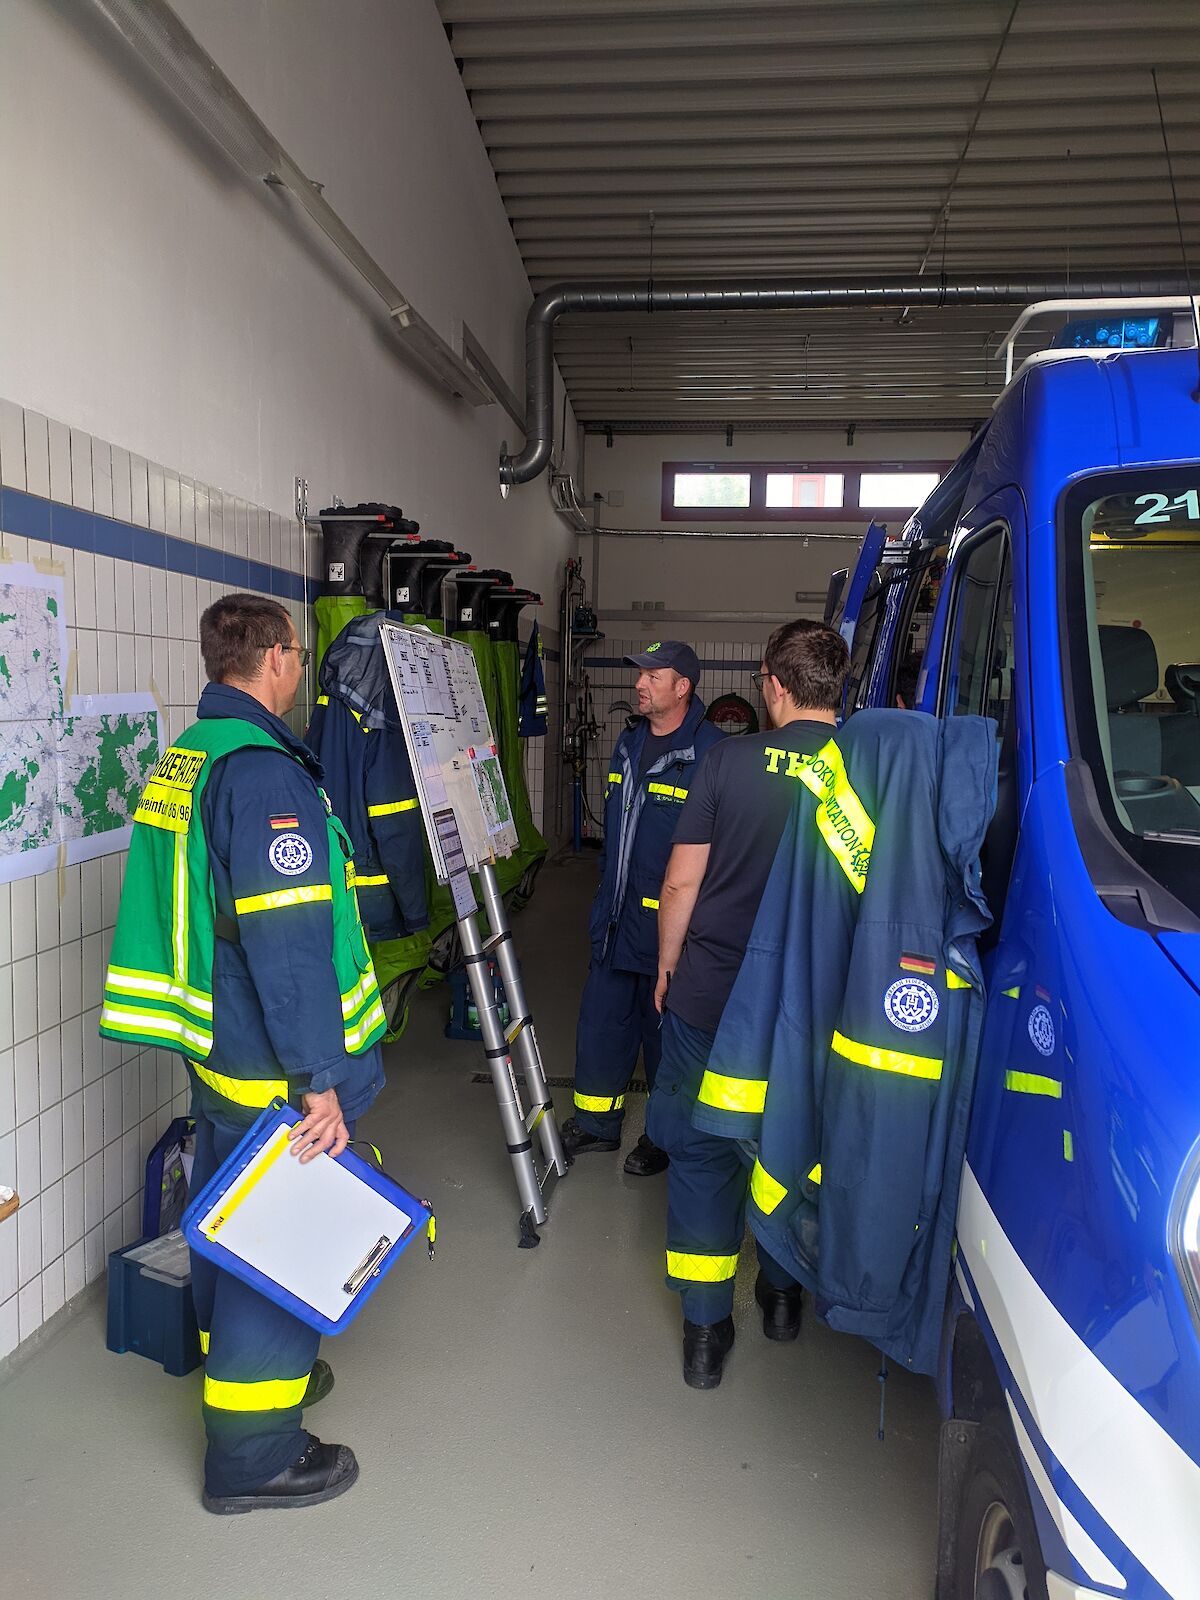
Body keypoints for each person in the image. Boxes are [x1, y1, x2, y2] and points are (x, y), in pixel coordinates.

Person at [100, 594, 387, 1512]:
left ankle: (245, 1380)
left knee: (231, 1203)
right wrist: (320, 1084)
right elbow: (289, 944)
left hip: (215, 1041)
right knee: (280, 1234)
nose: (300, 668)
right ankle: (253, 1453)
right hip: (273, 1055)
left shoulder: (191, 755)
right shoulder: (262, 775)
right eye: (297, 653)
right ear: (270, 656)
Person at [646, 619, 851, 1388]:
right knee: (793, 1143)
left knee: (705, 1151)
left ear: (772, 682)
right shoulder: (862, 765)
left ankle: (705, 1338)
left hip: (713, 995)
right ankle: (782, 1298)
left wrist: (668, 964)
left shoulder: (726, 761)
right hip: (818, 1004)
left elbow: (681, 882)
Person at [561, 641, 724, 1175]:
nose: (641, 683)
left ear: (684, 687)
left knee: (666, 1043)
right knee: (603, 1026)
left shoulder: (711, 754)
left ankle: (662, 1138)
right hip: (614, 917)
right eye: (641, 674)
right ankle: (595, 1124)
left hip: (669, 929)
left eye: (655, 675)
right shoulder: (629, 744)